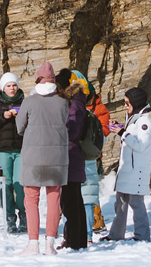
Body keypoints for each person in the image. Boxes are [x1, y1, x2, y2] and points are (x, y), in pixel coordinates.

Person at [15, 61, 70, 256]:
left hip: (33, 157)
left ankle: (32, 244)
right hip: (57, 157)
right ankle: (50, 244)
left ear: (38, 79)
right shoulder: (64, 102)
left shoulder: (29, 102)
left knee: (31, 200)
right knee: (54, 199)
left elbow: (19, 128)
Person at [104, 87, 151, 243]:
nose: (125, 106)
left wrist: (122, 133)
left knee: (136, 204)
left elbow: (141, 145)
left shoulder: (146, 120)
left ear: (136, 102)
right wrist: (120, 126)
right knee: (120, 203)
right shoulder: (136, 117)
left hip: (137, 171)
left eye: (127, 103)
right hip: (127, 168)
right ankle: (115, 235)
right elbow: (131, 132)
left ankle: (142, 236)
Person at [0, 71, 26, 233]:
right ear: (3, 88)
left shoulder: (26, 103)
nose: (12, 88)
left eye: (14, 85)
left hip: (22, 149)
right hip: (2, 150)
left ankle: (24, 215)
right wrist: (4, 116)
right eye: (8, 85)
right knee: (5, 184)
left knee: (21, 184)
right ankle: (9, 218)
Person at [55, 69, 89, 251]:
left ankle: (75, 241)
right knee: (74, 200)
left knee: (70, 202)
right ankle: (75, 240)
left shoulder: (75, 104)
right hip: (72, 156)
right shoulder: (74, 102)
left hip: (71, 156)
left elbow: (73, 130)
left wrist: (57, 130)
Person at [85, 90, 111, 239]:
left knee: (90, 188)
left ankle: (96, 221)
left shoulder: (100, 108)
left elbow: (104, 130)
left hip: (92, 154)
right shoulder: (72, 105)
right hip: (75, 153)